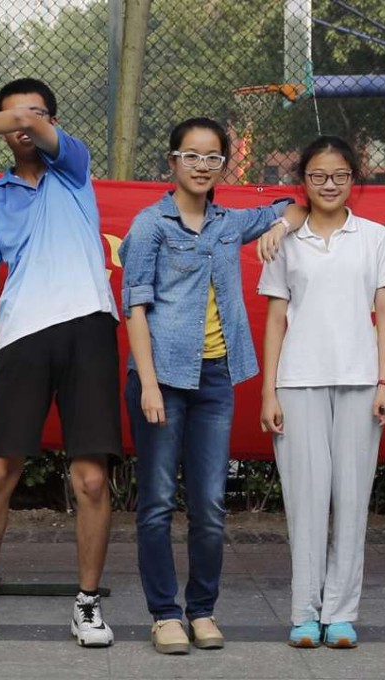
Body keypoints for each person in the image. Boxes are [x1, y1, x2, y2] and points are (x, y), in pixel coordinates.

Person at [0, 78, 120, 647]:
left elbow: (33, 125)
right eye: (11, 118)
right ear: (1, 131)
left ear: (50, 123)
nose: (23, 126)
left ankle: (87, 605)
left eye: (34, 116)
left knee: (89, 479)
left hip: (89, 328)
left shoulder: (74, 169)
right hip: (21, 339)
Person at [120, 117, 306, 655]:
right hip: (162, 380)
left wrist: (280, 226)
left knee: (210, 502)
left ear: (224, 165)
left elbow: (295, 206)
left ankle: (202, 610)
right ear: (172, 163)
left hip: (216, 377)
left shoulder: (229, 223)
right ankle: (164, 614)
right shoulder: (150, 225)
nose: (202, 166)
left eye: (213, 158)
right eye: (192, 156)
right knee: (156, 501)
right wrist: (149, 385)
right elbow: (134, 306)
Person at [257, 136, 385, 650]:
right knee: (306, 500)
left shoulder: (375, 237)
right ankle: (304, 614)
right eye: (318, 175)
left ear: (354, 179)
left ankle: (341, 614)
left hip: (362, 381)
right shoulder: (284, 240)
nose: (330, 184)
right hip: (297, 381)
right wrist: (269, 392)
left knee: (352, 498)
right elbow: (275, 318)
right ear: (305, 182)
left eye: (340, 175)